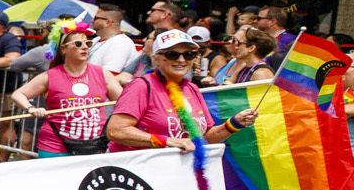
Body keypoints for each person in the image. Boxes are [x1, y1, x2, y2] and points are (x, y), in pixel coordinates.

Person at [105, 29, 256, 154]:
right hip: (141, 174)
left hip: (178, 174)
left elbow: (203, 138)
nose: (181, 60)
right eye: (172, 54)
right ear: (156, 59)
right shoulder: (142, 86)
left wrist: (233, 124)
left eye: (188, 54)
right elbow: (116, 131)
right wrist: (168, 141)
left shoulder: (192, 89)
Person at [8, 22, 122, 157]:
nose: (85, 47)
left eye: (88, 44)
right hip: (55, 144)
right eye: (78, 44)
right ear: (63, 49)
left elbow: (124, 101)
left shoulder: (103, 74)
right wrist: (31, 108)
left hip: (92, 144)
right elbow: (18, 94)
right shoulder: (51, 76)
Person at [87, 3, 140, 73]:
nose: (92, 20)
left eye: (96, 18)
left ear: (108, 22)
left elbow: (110, 74)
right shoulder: (96, 40)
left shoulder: (120, 42)